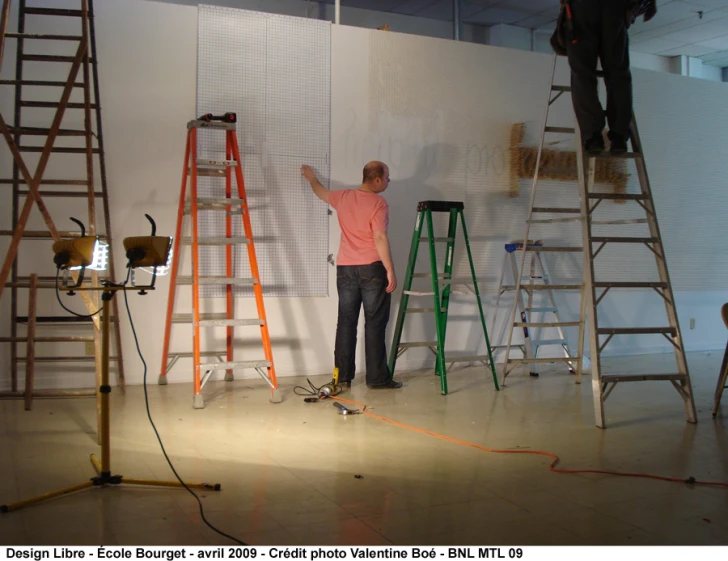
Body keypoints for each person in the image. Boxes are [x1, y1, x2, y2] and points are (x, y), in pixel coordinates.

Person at [301, 161, 402, 390]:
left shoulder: (343, 197)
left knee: (346, 322)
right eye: (387, 177)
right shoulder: (379, 203)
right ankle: (377, 379)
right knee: (374, 324)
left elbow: (321, 193)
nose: (388, 181)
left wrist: (311, 178)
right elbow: (379, 238)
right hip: (371, 268)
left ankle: (342, 377)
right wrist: (390, 270)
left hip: (345, 268)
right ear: (376, 179)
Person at [561, 0, 657, 154]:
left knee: (583, 74)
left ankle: (593, 136)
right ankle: (619, 137)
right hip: (615, 8)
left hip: (582, 9)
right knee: (618, 74)